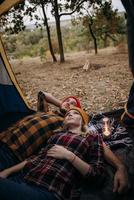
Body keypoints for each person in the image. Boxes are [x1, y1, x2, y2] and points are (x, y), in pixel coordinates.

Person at [0, 93, 128, 195]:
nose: (70, 107)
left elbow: (100, 154)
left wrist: (120, 167)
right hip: (6, 141)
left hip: (15, 154)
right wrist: (65, 105)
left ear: (82, 117)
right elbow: (43, 94)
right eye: (68, 102)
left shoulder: (85, 134)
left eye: (74, 107)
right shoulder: (51, 121)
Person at [0, 107, 105, 200]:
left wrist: (70, 156)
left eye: (75, 113)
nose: (70, 114)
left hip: (49, 189)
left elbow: (97, 176)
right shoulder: (56, 135)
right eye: (68, 114)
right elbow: (36, 158)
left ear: (83, 120)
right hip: (24, 179)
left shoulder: (92, 137)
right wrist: (7, 171)